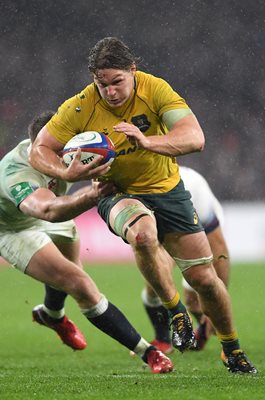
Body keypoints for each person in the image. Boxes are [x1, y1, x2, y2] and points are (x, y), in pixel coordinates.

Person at [29, 37, 257, 374]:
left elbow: (195, 138)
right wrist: (66, 171)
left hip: (168, 190)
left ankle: (232, 348)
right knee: (143, 235)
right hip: (117, 192)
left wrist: (147, 140)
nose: (110, 91)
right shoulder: (80, 106)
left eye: (117, 81)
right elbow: (39, 149)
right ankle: (175, 310)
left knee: (204, 279)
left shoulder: (156, 90)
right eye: (101, 84)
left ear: (133, 71)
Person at [0, 110, 174, 374]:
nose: (69, 156)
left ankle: (51, 315)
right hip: (14, 227)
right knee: (79, 283)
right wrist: (90, 196)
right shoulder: (16, 173)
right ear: (39, 148)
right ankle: (148, 353)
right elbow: (47, 210)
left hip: (54, 210)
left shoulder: (73, 148)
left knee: (72, 271)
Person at [141, 166, 230, 354]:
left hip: (198, 229)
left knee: (196, 297)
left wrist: (219, 293)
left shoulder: (195, 189)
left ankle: (208, 330)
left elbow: (219, 249)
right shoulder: (139, 191)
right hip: (166, 227)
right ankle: (163, 339)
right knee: (154, 283)